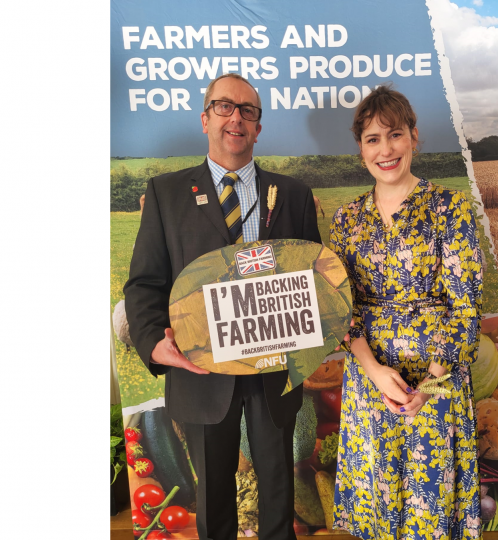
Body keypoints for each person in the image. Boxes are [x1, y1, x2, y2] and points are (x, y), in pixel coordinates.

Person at [124, 72, 321, 540]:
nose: (236, 117)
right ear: (205, 118)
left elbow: (314, 279)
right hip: (201, 371)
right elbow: (144, 283)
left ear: (258, 127)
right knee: (212, 497)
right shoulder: (166, 193)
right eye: (224, 107)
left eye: (248, 110)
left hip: (273, 369)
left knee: (278, 486)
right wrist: (154, 344)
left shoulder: (292, 195)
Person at [329, 85, 484, 539]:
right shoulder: (347, 219)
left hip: (434, 382)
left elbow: (466, 305)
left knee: (429, 502)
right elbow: (341, 307)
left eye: (394, 135)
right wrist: (374, 370)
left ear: (414, 137)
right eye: (373, 139)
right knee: (377, 502)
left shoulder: (450, 207)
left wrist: (431, 382)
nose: (385, 149)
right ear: (361, 150)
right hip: (371, 379)